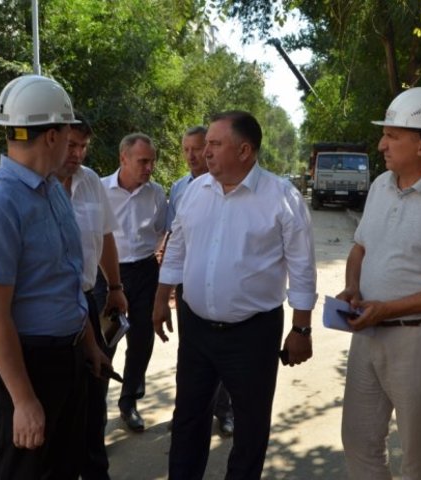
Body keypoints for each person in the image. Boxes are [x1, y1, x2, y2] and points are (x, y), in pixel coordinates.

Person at [0, 74, 110, 479]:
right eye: (68, 134)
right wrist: (23, 400)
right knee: (26, 472)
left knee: (67, 467)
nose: (73, 145)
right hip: (28, 363)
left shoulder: (52, 189)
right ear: (53, 136)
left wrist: (88, 344)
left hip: (69, 355)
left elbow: (67, 278)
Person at [152, 110, 317, 480]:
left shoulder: (282, 198)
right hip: (196, 329)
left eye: (215, 144)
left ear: (245, 151)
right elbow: (177, 248)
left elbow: (302, 268)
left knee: (250, 426)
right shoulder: (195, 192)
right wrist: (162, 299)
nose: (205, 152)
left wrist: (301, 329)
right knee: (188, 418)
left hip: (253, 334)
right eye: (206, 144)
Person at [336, 87, 421, 479]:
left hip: (418, 339)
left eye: (392, 135)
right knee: (358, 439)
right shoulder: (381, 185)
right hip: (367, 333)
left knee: (417, 451)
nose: (382, 144)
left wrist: (390, 309)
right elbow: (360, 248)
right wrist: (353, 287)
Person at [53, 113, 128, 479]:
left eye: (83, 146)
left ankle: (96, 470)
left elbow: (106, 235)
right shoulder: (39, 185)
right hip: (51, 309)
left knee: (95, 390)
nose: (77, 153)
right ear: (53, 141)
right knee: (60, 400)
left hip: (87, 298)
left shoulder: (92, 182)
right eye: (72, 145)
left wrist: (115, 287)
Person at [165, 125, 234, 437]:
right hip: (189, 284)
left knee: (223, 352)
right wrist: (165, 289)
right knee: (191, 352)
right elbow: (174, 238)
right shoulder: (180, 188)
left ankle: (225, 411)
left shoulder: (230, 186)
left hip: (221, 284)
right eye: (186, 149)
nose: (192, 155)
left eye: (197, 148)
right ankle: (188, 409)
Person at [98, 133, 167, 432]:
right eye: (142, 161)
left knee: (141, 341)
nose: (149, 167)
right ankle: (96, 411)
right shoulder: (100, 190)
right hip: (106, 274)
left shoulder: (156, 193)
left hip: (145, 272)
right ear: (123, 158)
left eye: (152, 161)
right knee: (104, 341)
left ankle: (129, 402)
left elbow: (162, 231)